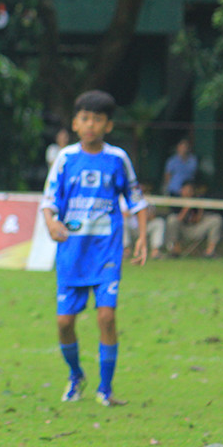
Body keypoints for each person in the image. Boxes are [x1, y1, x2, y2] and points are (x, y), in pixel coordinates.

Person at [41, 90, 147, 407]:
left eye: (98, 119)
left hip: (106, 252)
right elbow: (48, 202)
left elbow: (137, 200)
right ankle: (76, 375)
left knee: (106, 317)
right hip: (72, 253)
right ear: (75, 123)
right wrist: (51, 224)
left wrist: (142, 237)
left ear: (108, 125)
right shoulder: (66, 159)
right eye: (85, 118)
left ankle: (106, 388)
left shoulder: (117, 159)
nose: (91, 125)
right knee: (64, 323)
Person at [165, 180, 223, 258]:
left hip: (195, 228)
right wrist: (186, 208)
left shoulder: (196, 201)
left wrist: (200, 208)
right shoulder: (176, 202)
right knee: (172, 219)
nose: (188, 193)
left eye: (190, 190)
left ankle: (210, 251)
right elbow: (178, 219)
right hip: (182, 230)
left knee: (216, 219)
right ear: (181, 190)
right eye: (185, 190)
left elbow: (197, 220)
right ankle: (175, 250)